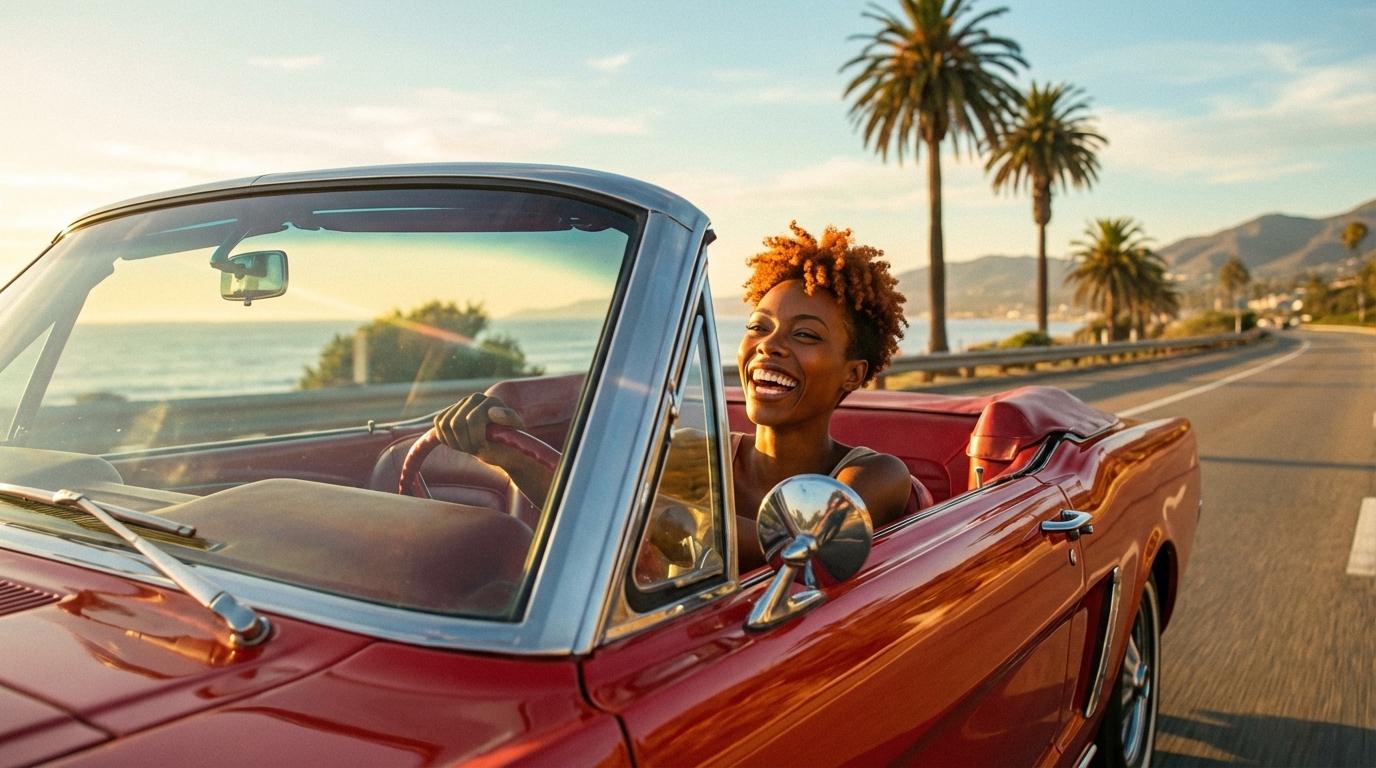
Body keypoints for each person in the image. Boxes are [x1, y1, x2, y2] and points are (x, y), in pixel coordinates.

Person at [432, 222, 915, 573]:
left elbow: (791, 546)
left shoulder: (875, 476)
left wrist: (592, 490)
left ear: (852, 374)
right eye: (757, 327)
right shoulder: (690, 454)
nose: (769, 344)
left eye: (806, 335)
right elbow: (598, 520)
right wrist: (514, 458)